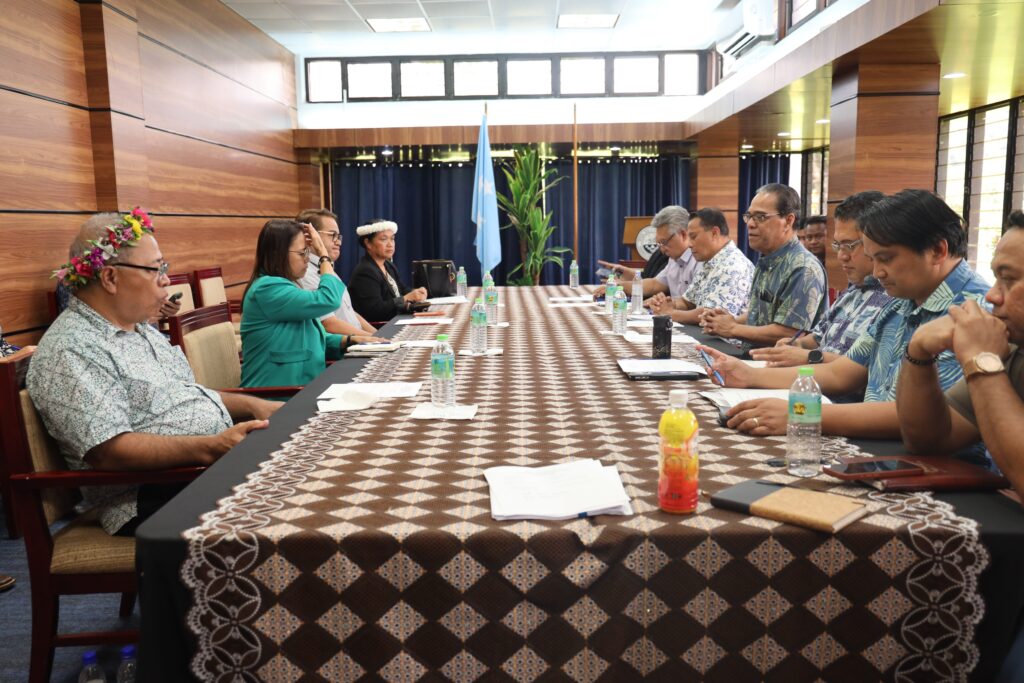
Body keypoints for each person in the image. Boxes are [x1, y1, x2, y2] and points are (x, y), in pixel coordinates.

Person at [27, 210, 280, 536]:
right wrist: (211, 447)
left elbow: (185, 395)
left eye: (164, 267)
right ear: (110, 278)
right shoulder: (73, 347)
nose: (166, 280)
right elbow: (109, 452)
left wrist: (254, 405)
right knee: (294, 499)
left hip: (199, 471)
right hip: (152, 494)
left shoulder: (140, 329)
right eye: (155, 269)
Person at [699, 189, 991, 439]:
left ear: (937, 251)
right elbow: (842, 373)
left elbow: (929, 419)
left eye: (886, 259)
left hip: (935, 467)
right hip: (874, 443)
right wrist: (749, 375)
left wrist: (801, 412)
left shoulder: (973, 313)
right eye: (873, 259)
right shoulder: (903, 301)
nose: (878, 272)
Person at [896, 215, 1024, 490]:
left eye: (1009, 279)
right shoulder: (1016, 349)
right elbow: (930, 439)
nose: (991, 296)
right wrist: (918, 351)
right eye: (996, 278)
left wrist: (981, 360)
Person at [749, 191, 891, 369]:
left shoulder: (893, 300)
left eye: (849, 245)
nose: (841, 256)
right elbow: (817, 337)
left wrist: (809, 356)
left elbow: (863, 369)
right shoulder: (854, 291)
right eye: (838, 245)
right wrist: (796, 344)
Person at [700, 184, 827, 348]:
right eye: (749, 216)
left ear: (788, 221)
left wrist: (732, 328)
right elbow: (760, 315)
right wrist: (729, 321)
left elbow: (789, 333)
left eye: (760, 217)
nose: (750, 224)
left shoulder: (803, 268)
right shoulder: (768, 259)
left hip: (777, 363)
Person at [241, 220, 355, 388]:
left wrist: (350, 340)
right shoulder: (267, 288)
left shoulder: (288, 285)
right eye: (302, 253)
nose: (307, 259)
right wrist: (323, 255)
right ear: (278, 254)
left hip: (303, 388)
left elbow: (311, 336)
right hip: (276, 395)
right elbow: (329, 299)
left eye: (308, 252)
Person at [644, 208, 755, 324]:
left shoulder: (732, 266)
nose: (689, 244)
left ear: (714, 233)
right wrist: (668, 304)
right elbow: (687, 302)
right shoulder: (710, 262)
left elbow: (711, 315)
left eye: (693, 237)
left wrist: (669, 313)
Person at [295, 209, 383, 341]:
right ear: (310, 236)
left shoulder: (326, 267)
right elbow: (328, 323)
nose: (339, 242)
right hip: (343, 346)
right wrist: (374, 339)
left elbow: (349, 312)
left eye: (339, 236)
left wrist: (380, 336)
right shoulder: (305, 273)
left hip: (360, 341)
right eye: (332, 235)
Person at [593, 206, 700, 302]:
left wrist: (668, 306)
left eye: (664, 242)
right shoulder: (674, 259)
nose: (662, 250)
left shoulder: (699, 260)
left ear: (683, 234)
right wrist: (619, 286)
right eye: (659, 243)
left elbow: (694, 305)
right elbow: (654, 285)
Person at [348, 219, 427, 322]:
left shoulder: (388, 265)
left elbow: (401, 290)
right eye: (384, 239)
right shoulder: (365, 271)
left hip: (397, 319)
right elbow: (374, 310)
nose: (390, 244)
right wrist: (405, 298)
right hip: (380, 326)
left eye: (392, 239)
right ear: (368, 243)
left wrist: (416, 293)